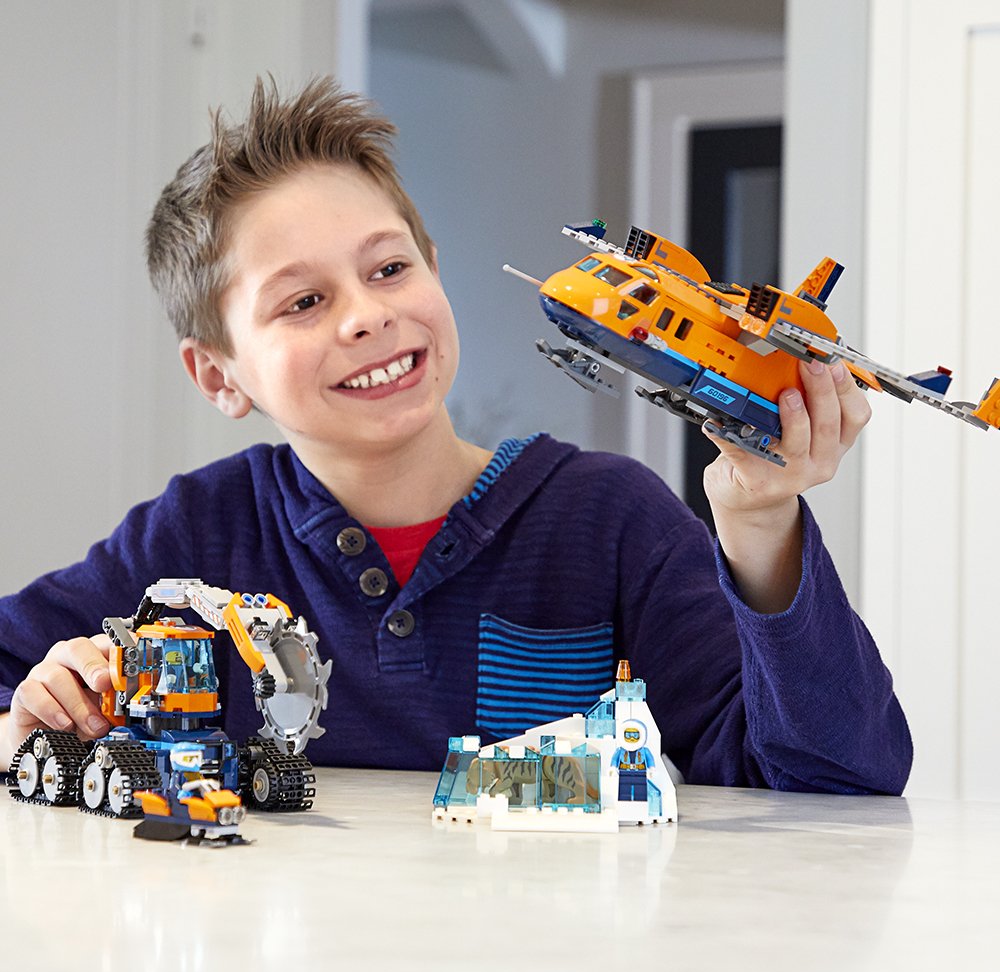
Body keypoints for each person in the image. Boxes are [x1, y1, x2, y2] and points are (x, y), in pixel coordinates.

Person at [0, 78, 912, 792]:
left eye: (389, 268)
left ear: (434, 272)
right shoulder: (194, 536)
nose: (366, 316)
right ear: (219, 375)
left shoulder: (612, 519)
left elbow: (836, 778)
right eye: (305, 301)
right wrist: (32, 709)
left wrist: (760, 524)